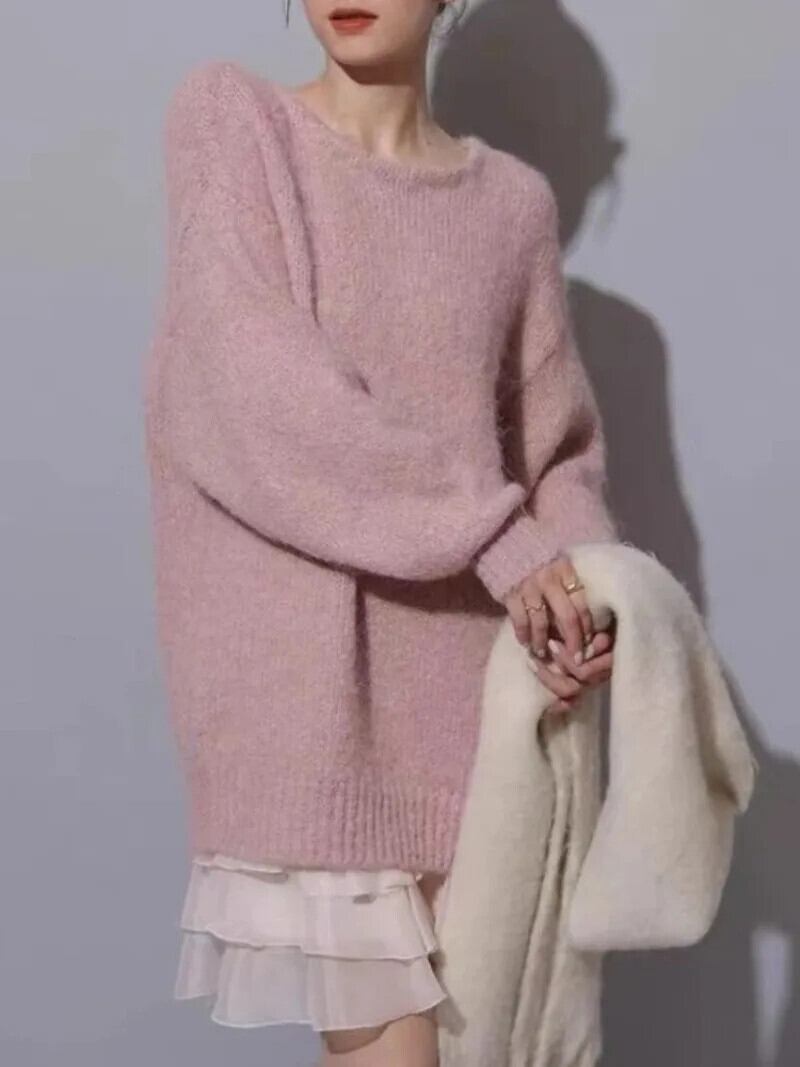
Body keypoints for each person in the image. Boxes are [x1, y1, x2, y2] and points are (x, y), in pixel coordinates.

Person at [143, 1, 620, 1064]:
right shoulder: (236, 125)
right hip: (314, 705)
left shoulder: (511, 207)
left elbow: (554, 455)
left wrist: (578, 600)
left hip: (491, 707)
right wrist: (501, 541)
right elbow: (247, 390)